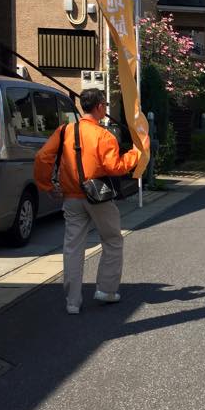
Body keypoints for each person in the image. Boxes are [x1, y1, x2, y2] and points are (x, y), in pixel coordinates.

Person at [34, 88, 146, 315]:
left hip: (71, 197)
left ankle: (72, 302)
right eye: (104, 104)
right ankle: (106, 290)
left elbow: (42, 157)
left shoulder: (65, 130)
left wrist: (47, 186)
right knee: (112, 239)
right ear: (98, 107)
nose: (105, 108)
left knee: (73, 248)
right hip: (98, 196)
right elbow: (115, 167)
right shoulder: (104, 135)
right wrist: (136, 154)